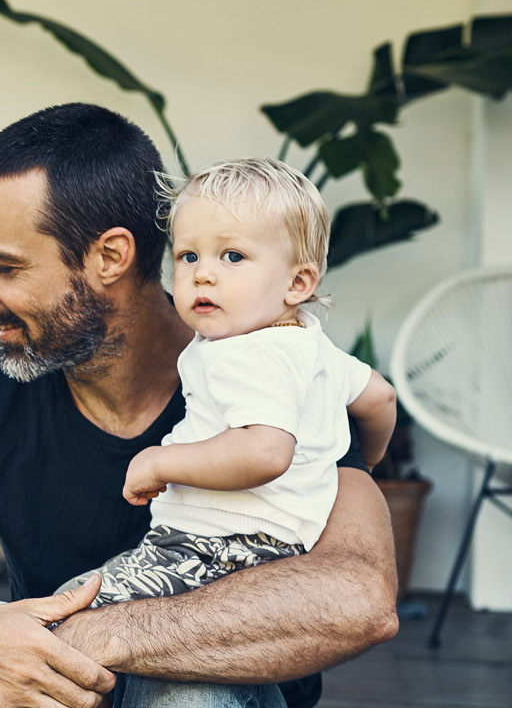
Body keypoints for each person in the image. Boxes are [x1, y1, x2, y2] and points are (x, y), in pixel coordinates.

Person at [0, 104, 399, 708]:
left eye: (3, 265)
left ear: (110, 256)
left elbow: (359, 600)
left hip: (202, 685)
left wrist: (87, 636)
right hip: (60, 683)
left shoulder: (282, 373)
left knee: (190, 698)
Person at [56, 157, 398, 610]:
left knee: (70, 607)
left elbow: (264, 452)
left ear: (298, 282)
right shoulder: (309, 344)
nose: (202, 273)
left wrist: (160, 462)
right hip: (279, 546)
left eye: (232, 256)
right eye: (188, 256)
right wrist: (367, 462)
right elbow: (380, 397)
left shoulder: (244, 354)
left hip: (215, 545)